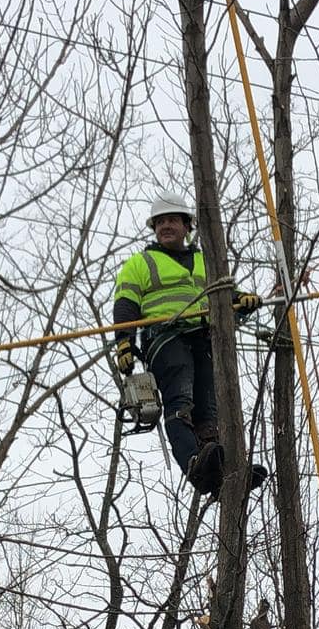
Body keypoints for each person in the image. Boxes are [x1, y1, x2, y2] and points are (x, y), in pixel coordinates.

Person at [113, 192, 268, 495]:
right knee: (181, 404)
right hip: (166, 339)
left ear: (187, 226)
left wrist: (241, 301)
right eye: (160, 222)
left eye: (172, 220)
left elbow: (225, 293)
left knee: (212, 410)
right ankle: (194, 463)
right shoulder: (141, 263)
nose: (165, 226)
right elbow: (126, 306)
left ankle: (225, 473)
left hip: (205, 339)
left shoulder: (204, 261)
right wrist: (124, 344)